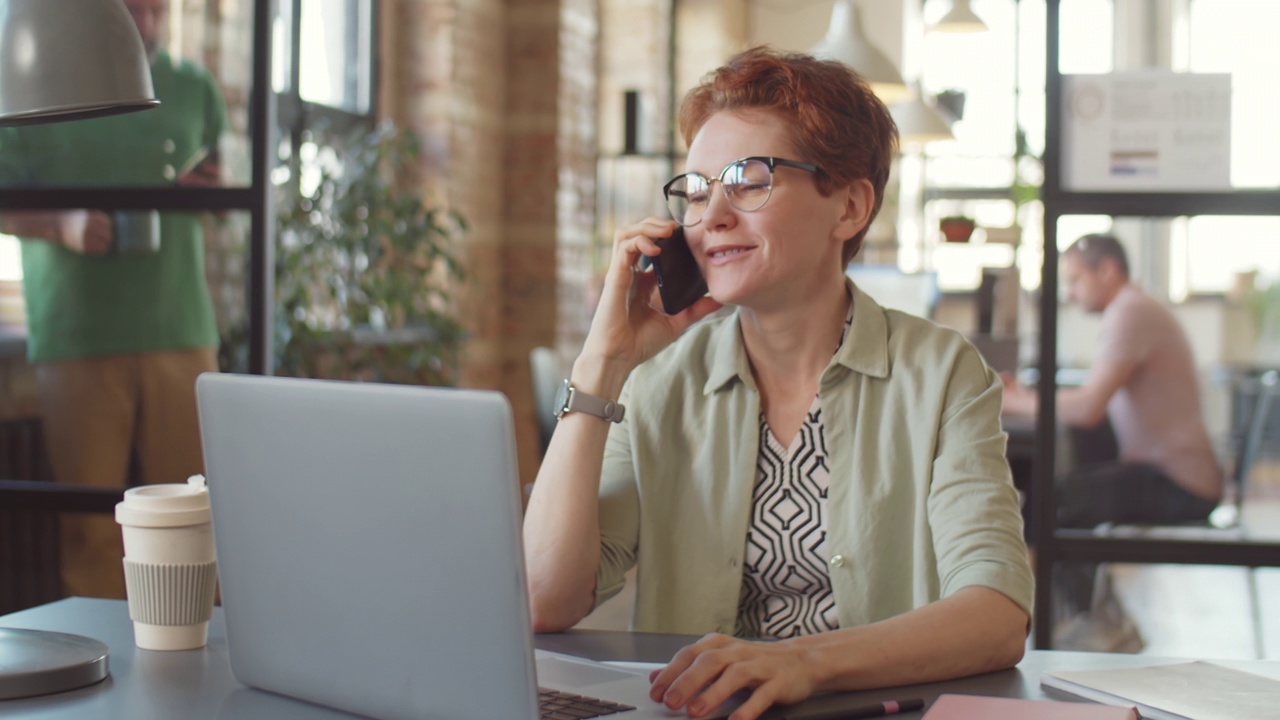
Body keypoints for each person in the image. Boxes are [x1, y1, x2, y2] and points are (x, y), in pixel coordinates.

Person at [523, 48, 1031, 720]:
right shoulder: (659, 382)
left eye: (749, 180)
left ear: (849, 206)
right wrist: (601, 364)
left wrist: (804, 662)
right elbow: (543, 598)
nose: (713, 217)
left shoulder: (941, 374)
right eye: (698, 190)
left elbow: (996, 616)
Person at [0, 0, 227, 599]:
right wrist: (62, 223)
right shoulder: (38, 76)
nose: (148, 25)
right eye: (134, 11)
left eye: (158, 10)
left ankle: (205, 664)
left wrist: (205, 192)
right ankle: (103, 668)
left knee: (197, 522)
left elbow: (220, 189)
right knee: (91, 532)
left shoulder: (195, 89)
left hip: (181, 324)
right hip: (78, 332)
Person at [1002, 234, 1223, 531]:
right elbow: (1090, 400)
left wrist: (1010, 400)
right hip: (1162, 473)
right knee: (1059, 483)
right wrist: (1023, 397)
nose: (1071, 294)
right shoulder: (1133, 307)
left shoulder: (1130, 312)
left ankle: (1039, 578)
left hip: (1179, 484)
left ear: (1106, 271)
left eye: (1076, 280)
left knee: (1049, 500)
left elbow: (1088, 409)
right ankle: (1068, 578)